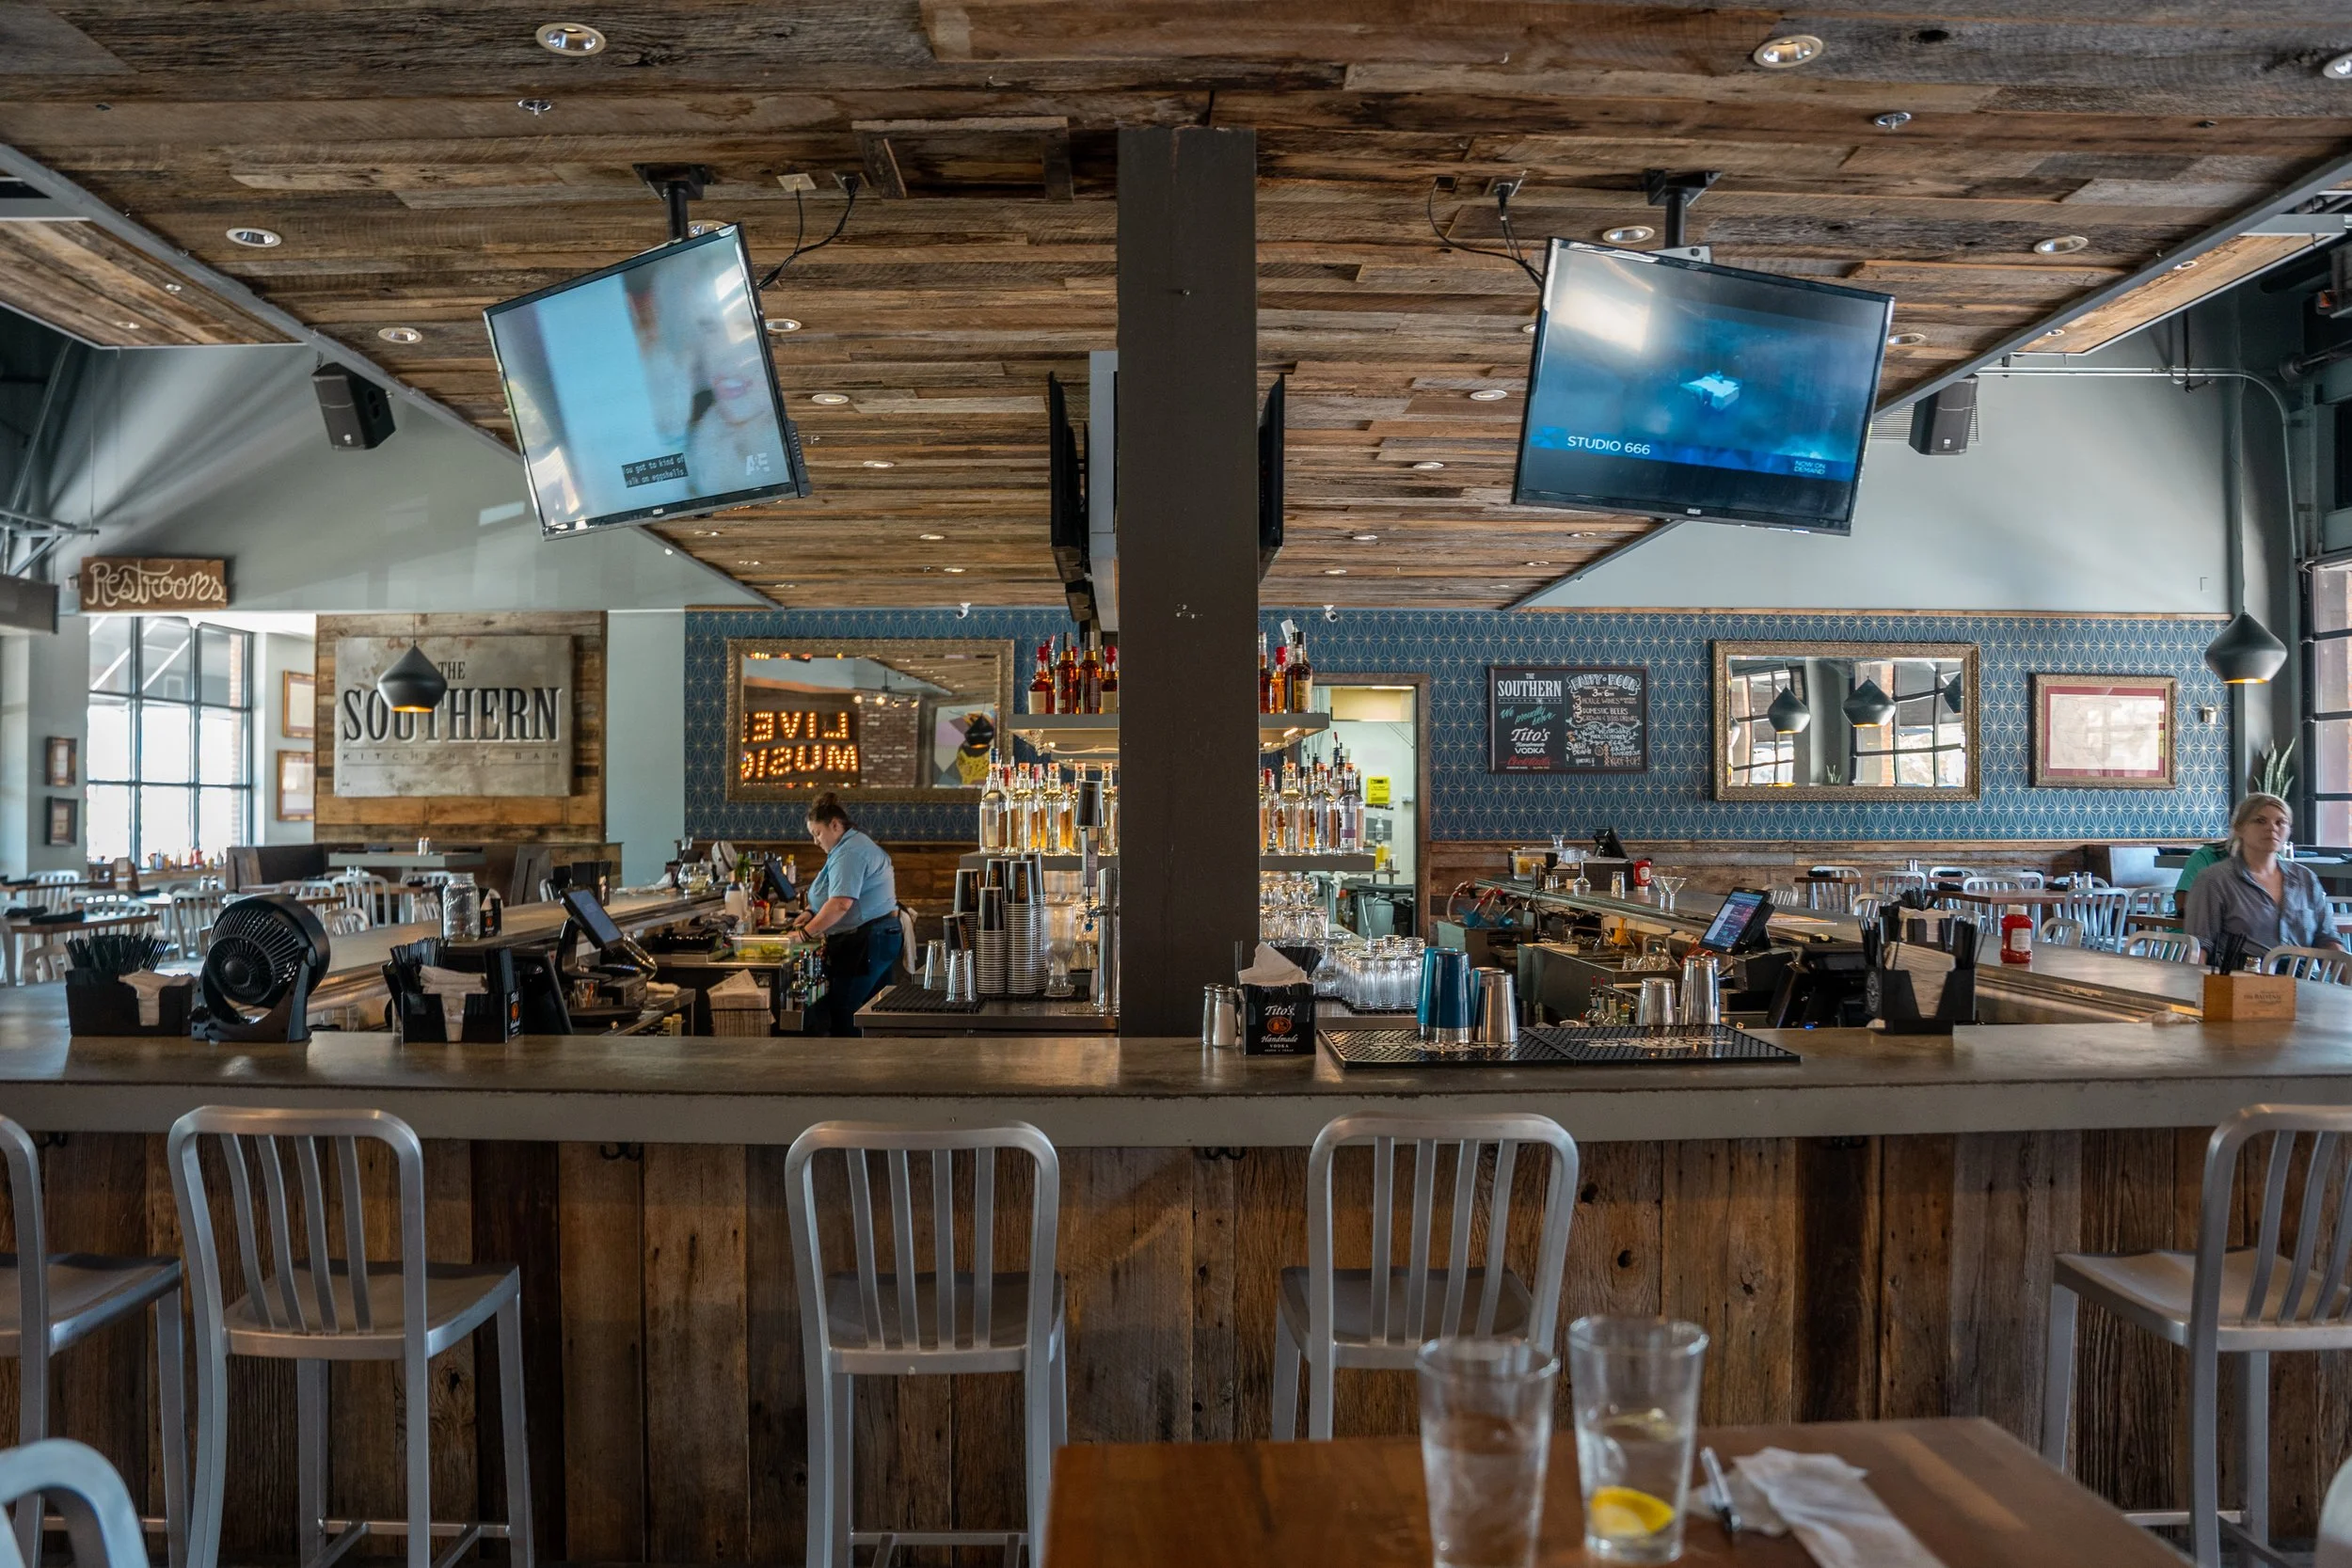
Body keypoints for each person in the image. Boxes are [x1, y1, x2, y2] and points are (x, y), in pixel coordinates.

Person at [791, 793, 903, 1036]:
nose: (815, 841)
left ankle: (848, 1070)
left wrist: (804, 934)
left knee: (847, 1012)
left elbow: (841, 903)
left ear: (834, 825)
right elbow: (832, 892)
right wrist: (812, 912)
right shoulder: (847, 847)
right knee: (876, 1010)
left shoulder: (851, 851)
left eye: (817, 833)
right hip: (876, 936)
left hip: (865, 941)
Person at [2184, 792, 2344, 960]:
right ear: (2239, 828)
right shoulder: (2215, 880)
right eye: (2260, 821)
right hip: (2242, 978)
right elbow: (2200, 946)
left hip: (2301, 979)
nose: (2272, 828)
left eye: (2280, 822)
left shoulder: (2306, 879)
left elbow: (2328, 940)